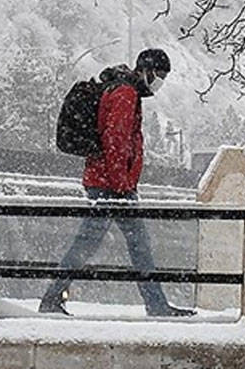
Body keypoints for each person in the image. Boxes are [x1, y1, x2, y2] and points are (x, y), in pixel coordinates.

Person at [39, 48, 194, 317]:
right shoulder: (125, 93)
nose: (159, 82)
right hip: (111, 185)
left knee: (104, 244)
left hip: (109, 182)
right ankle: (154, 305)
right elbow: (116, 141)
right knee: (121, 245)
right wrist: (122, 184)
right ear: (144, 70)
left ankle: (55, 297)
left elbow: (119, 142)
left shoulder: (123, 90)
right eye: (158, 75)